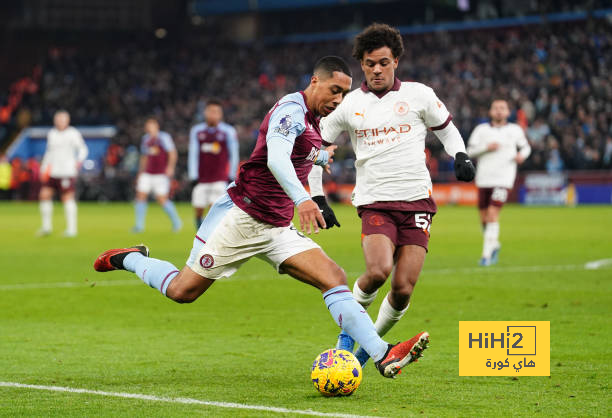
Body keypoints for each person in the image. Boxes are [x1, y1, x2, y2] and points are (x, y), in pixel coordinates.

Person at [94, 56, 429, 379]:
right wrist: (304, 200)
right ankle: (131, 259)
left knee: (334, 277)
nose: (338, 99)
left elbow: (297, 149)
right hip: (241, 219)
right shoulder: (290, 111)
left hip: (275, 227)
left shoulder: (311, 121)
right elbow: (277, 158)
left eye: (343, 93)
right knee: (183, 290)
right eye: (334, 90)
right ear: (315, 81)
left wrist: (318, 156)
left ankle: (382, 353)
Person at [316, 23, 475, 366]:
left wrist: (460, 154)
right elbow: (316, 146)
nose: (377, 69)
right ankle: (346, 345)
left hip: (417, 200)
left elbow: (447, 129)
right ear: (361, 64)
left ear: (396, 62)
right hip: (375, 201)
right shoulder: (348, 104)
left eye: (384, 62)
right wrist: (317, 195)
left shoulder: (418, 94)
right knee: (377, 271)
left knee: (403, 288)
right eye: (370, 63)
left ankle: (360, 355)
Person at [467, 99, 531, 266]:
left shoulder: (515, 130)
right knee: (483, 218)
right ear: (490, 111)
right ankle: (494, 244)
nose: (499, 111)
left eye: (502, 108)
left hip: (503, 179)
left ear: (508, 112)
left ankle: (486, 256)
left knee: (492, 214)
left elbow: (526, 148)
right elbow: (469, 151)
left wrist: (521, 156)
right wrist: (486, 148)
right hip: (483, 179)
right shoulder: (481, 130)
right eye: (495, 108)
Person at [188, 99, 239, 229]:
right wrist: (193, 175)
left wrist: (231, 174)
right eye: (211, 111)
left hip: (220, 178)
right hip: (202, 178)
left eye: (216, 112)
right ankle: (201, 232)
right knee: (198, 210)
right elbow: (193, 153)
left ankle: (207, 236)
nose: (213, 114)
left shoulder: (228, 131)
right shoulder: (197, 131)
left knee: (214, 209)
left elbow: (234, 154)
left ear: (220, 114)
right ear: (205, 113)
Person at [38, 110, 88, 237]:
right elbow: (49, 152)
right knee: (44, 195)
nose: (60, 122)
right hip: (53, 171)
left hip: (67, 171)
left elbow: (83, 148)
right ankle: (46, 227)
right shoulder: (52, 133)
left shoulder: (73, 133)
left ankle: (72, 229)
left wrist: (79, 161)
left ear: (67, 121)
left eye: (62, 119)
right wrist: (44, 168)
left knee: (67, 197)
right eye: (58, 119)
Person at [132, 118, 182, 233]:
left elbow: (172, 153)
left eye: (151, 125)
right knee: (140, 196)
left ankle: (176, 222)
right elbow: (144, 157)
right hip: (147, 173)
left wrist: (170, 167)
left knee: (162, 199)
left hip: (160, 174)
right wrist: (140, 172)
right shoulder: (145, 139)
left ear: (156, 126)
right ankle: (139, 226)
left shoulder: (164, 138)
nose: (149, 128)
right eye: (148, 126)